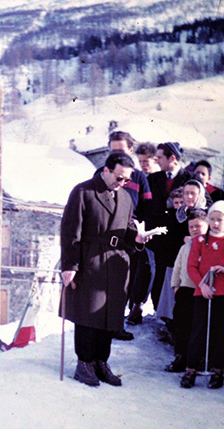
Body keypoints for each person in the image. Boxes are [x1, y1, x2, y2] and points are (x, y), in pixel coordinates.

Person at [61, 151, 147, 387]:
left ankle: (101, 361)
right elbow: (71, 232)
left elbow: (125, 230)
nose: (122, 183)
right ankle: (84, 362)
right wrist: (70, 266)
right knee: (88, 313)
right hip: (90, 260)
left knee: (110, 316)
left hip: (116, 263)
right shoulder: (84, 191)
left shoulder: (127, 199)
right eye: (119, 178)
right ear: (106, 170)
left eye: (126, 180)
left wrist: (137, 238)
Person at [181, 201, 224, 389]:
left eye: (220, 220)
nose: (216, 223)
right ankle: (191, 369)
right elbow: (192, 267)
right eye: (212, 219)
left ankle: (218, 370)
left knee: (222, 332)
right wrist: (202, 286)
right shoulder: (199, 241)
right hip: (204, 291)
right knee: (199, 330)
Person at [106, 131, 152, 334]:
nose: (116, 155)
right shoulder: (102, 173)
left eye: (121, 150)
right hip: (106, 236)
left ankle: (118, 323)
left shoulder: (140, 177)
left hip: (129, 237)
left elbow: (147, 206)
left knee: (126, 280)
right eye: (113, 150)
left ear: (131, 151)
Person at [146, 142, 192, 311]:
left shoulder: (190, 178)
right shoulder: (153, 179)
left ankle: (174, 319)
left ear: (172, 158)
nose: (156, 161)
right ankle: (160, 314)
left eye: (159, 157)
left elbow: (204, 204)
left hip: (179, 240)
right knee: (158, 277)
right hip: (158, 240)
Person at [167, 207, 209, 372]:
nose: (194, 230)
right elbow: (177, 267)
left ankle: (197, 358)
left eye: (198, 226)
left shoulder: (209, 246)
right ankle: (180, 356)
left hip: (201, 292)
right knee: (181, 324)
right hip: (184, 290)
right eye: (191, 227)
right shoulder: (185, 247)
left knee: (198, 326)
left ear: (206, 226)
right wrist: (175, 285)